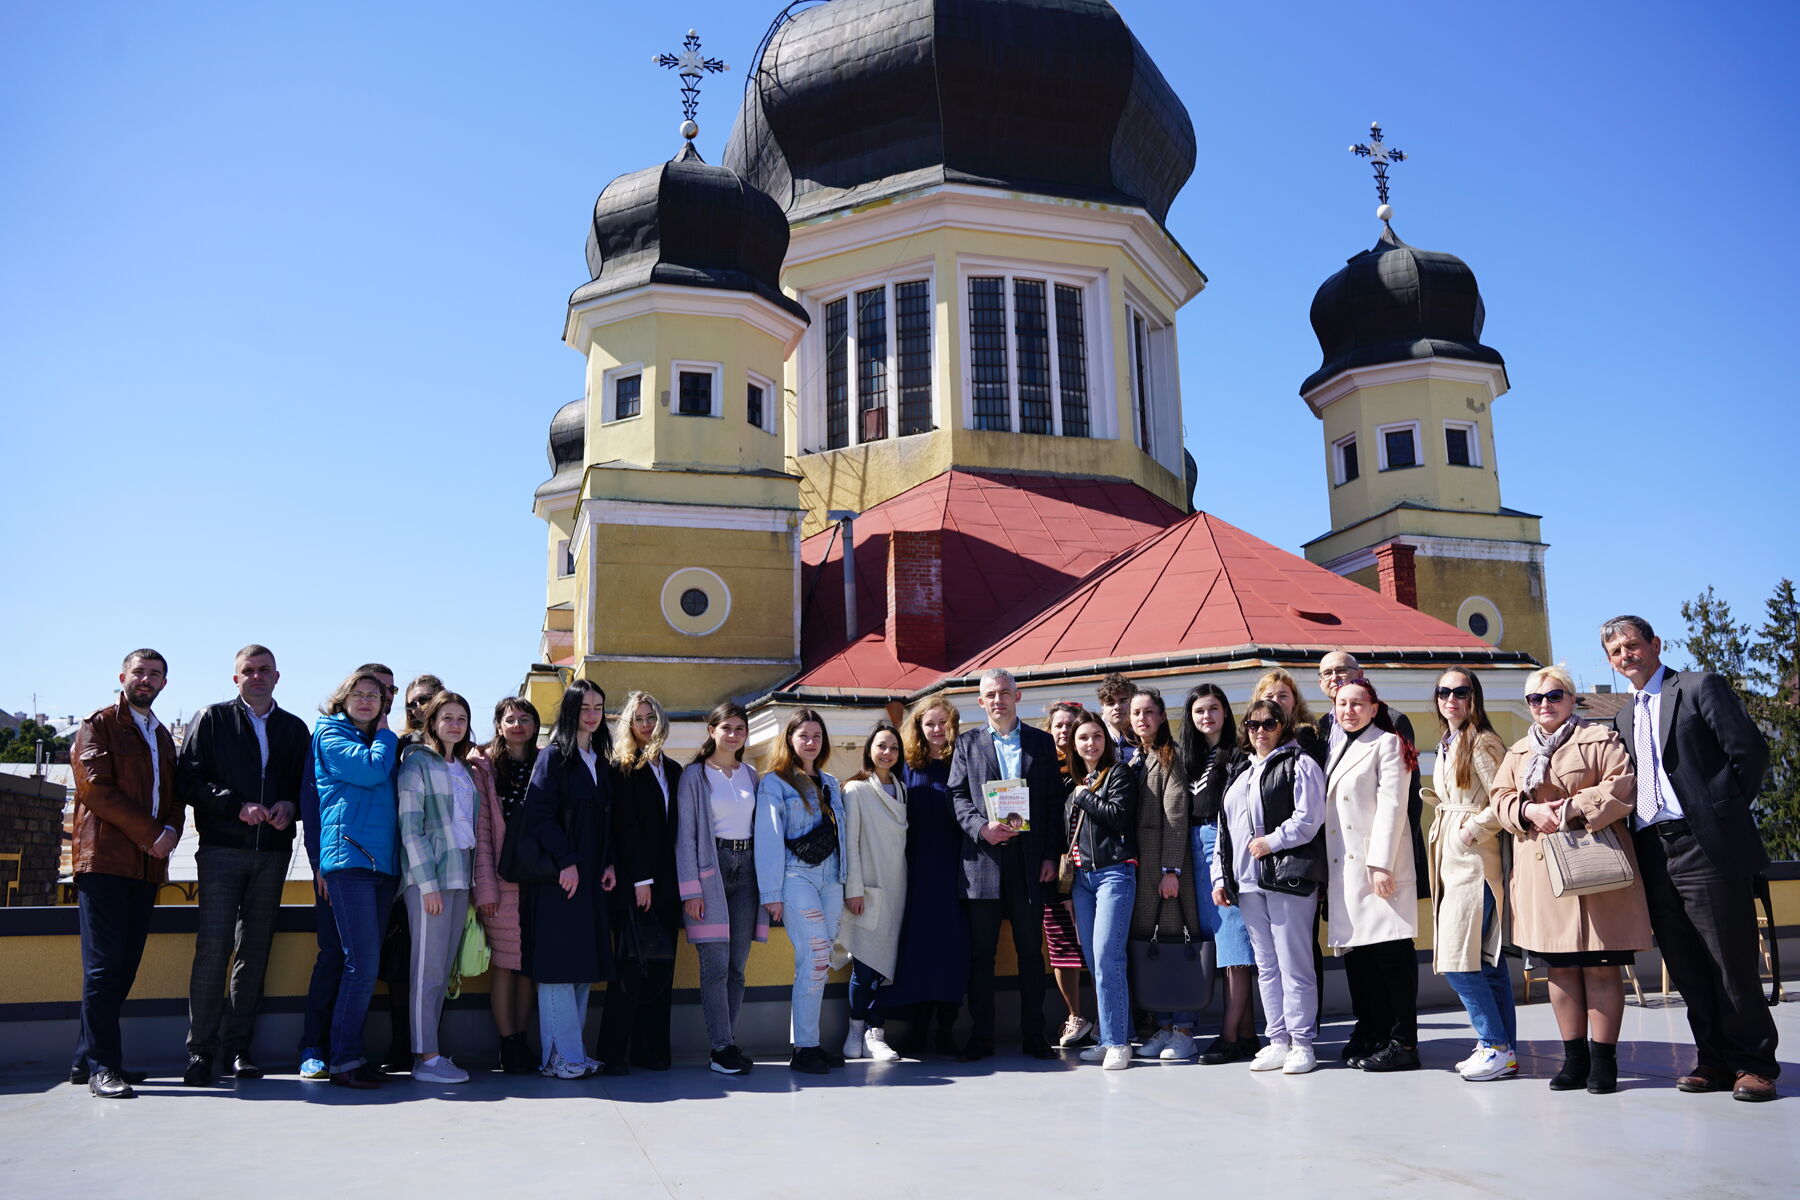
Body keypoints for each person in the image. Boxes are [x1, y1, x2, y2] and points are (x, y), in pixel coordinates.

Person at [1602, 615, 1779, 1102]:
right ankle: (1714, 1060)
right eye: (1616, 652)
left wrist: (1719, 814)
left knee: (1729, 958)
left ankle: (1755, 1063)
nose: (1626, 656)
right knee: (1685, 963)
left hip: (1705, 845)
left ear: (1656, 644)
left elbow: (1749, 753)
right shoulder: (1621, 715)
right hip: (1653, 850)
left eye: (1633, 645)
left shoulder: (1700, 687)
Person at [1491, 665, 1650, 1094]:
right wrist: (1527, 811)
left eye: (1554, 695)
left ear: (1571, 698)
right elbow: (1500, 798)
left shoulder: (1598, 738)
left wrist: (1570, 808)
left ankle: (1604, 1062)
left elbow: (1623, 786)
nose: (1544, 704)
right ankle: (1573, 1060)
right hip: (1543, 872)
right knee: (1559, 971)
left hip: (1594, 866)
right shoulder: (1519, 751)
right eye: (1535, 699)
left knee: (1601, 969)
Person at [177, 644, 309, 1086]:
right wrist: (234, 806)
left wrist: (291, 805)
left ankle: (237, 1049)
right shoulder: (211, 719)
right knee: (213, 948)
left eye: (264, 670)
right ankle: (200, 1051)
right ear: (236, 679)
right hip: (221, 850)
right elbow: (189, 779)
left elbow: (305, 785)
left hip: (273, 853)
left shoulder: (294, 728)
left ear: (277, 676)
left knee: (254, 952)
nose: (256, 676)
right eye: (248, 671)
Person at [69, 649, 184, 1098]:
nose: (147, 680)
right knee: (103, 968)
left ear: (163, 684)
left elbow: (176, 792)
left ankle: (87, 1059)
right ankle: (103, 1067)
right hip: (104, 862)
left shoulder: (162, 736)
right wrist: (151, 834)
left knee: (124, 966)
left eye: (155, 674)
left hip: (147, 865)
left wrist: (171, 830)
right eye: (140, 672)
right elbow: (95, 790)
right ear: (123, 677)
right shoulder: (98, 725)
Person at [948, 668, 1065, 1061]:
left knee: (1031, 953)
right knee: (981, 956)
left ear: (1017, 696)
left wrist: (1051, 854)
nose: (998, 700)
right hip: (982, 863)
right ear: (981, 702)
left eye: (1004, 692)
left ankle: (1034, 1035)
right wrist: (982, 828)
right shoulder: (966, 744)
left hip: (1031, 863)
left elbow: (1053, 803)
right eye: (990, 695)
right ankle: (982, 1036)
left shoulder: (1041, 743)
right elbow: (957, 797)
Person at [1211, 698, 1327, 1075]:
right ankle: (1277, 1040)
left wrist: (1271, 842)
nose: (1260, 730)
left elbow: (1309, 819)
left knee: (1295, 963)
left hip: (1286, 879)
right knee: (1266, 965)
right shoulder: (1240, 771)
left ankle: (1302, 1043)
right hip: (1246, 883)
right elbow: (1224, 832)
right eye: (1253, 724)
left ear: (1284, 725)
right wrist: (1219, 876)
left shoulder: (1300, 763)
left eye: (1269, 723)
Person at [297, 662, 393, 1081]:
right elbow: (370, 772)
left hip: (381, 864)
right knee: (360, 961)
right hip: (349, 861)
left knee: (365, 962)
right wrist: (389, 733)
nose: (368, 701)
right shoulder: (331, 733)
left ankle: (346, 1053)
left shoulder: (379, 741)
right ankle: (342, 1057)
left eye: (375, 696)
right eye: (360, 695)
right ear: (344, 699)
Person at [520, 679, 617, 1079]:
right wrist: (566, 861)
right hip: (562, 880)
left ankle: (573, 1053)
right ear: (570, 710)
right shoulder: (554, 757)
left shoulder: (599, 759)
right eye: (585, 707)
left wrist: (608, 862)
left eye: (598, 707)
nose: (591, 714)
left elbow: (605, 820)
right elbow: (539, 815)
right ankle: (558, 1057)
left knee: (580, 966)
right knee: (558, 967)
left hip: (592, 878)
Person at [1324, 679, 1422, 1072]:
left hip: (1377, 867)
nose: (1348, 710)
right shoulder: (1336, 747)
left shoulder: (1386, 742)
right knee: (1361, 959)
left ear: (1373, 706)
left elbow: (1393, 807)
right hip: (1344, 870)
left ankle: (1403, 1042)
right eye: (1341, 704)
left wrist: (1380, 862)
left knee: (1391, 954)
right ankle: (1372, 1032)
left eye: (1357, 703)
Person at [1426, 669, 1518, 1082]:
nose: (1451, 698)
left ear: (1473, 697)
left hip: (1474, 861)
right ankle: (1502, 1049)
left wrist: (1469, 830)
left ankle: (1493, 1044)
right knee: (1487, 963)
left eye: (1460, 691)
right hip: (1453, 860)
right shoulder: (1449, 741)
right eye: (1443, 692)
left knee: (1459, 959)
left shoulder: (1482, 741)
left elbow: (1504, 798)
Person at [675, 701, 768, 1076]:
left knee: (737, 969)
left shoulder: (752, 775)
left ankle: (727, 1041)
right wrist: (690, 890)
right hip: (711, 872)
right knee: (714, 967)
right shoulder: (694, 776)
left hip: (747, 874)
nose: (733, 734)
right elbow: (685, 836)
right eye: (726, 727)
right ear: (711, 730)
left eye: (740, 728)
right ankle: (720, 1048)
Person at [397, 690, 483, 1085]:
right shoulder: (417, 763)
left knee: (444, 969)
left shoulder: (463, 768)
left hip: (460, 875)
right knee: (426, 970)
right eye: (446, 717)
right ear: (431, 721)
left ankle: (430, 1052)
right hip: (429, 880)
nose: (454, 724)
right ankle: (425, 1057)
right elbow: (410, 830)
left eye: (461, 718)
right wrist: (427, 885)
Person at [756, 708, 848, 1074]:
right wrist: (770, 892)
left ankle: (806, 1044)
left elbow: (843, 839)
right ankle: (806, 1048)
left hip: (832, 880)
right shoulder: (775, 783)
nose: (811, 742)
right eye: (803, 736)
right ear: (790, 739)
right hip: (796, 878)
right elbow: (769, 838)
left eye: (817, 736)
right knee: (815, 955)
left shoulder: (832, 782)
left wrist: (849, 881)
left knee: (817, 962)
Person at [877, 696, 970, 1055]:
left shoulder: (964, 763)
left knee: (952, 949)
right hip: (913, 869)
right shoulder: (906, 766)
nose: (937, 730)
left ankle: (946, 1028)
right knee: (916, 949)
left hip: (956, 869)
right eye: (930, 724)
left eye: (943, 724)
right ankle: (917, 1028)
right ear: (918, 727)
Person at [597, 690, 682, 1075]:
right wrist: (641, 880)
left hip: (669, 885)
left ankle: (652, 1051)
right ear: (629, 726)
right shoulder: (622, 767)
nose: (646, 724)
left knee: (663, 969)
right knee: (631, 969)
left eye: (651, 717)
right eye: (639, 719)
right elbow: (625, 828)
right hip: (636, 885)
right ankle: (613, 1053)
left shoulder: (676, 770)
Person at [1182, 684, 1257, 1066]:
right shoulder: (1191, 758)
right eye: (1198, 711)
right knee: (1223, 942)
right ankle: (1246, 1035)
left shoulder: (1237, 755)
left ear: (1226, 712)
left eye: (1213, 708)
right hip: (1195, 846)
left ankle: (1228, 1036)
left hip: (1222, 844)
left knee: (1234, 945)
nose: (1206, 716)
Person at [376, 671, 447, 1072]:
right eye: (413, 702)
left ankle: (433, 1045)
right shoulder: (400, 747)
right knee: (402, 967)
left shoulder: (459, 748)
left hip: (450, 876)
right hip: (403, 876)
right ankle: (402, 1046)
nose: (420, 707)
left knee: (439, 966)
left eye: (427, 699)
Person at [1315, 651, 1429, 894]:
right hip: (1338, 850)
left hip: (1381, 854)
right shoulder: (1319, 729)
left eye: (1341, 670)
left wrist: (1392, 855)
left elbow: (1406, 797)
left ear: (1360, 674)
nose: (1334, 677)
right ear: (1320, 683)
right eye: (1327, 673)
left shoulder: (1392, 721)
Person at [1127, 687, 1199, 1060]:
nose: (1142, 718)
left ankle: (1183, 1028)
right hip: (1141, 869)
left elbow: (1175, 817)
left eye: (1149, 712)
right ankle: (1160, 1026)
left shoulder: (1171, 756)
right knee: (1150, 943)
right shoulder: (1136, 757)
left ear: (1161, 716)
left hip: (1166, 867)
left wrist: (1171, 869)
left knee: (1172, 939)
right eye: (1136, 712)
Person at [1065, 710, 1138, 1070]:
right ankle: (1111, 1034)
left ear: (1105, 742)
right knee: (1095, 962)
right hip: (1082, 880)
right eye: (1083, 738)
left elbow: (1119, 816)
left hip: (1114, 874)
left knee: (1109, 957)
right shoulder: (1077, 783)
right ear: (1074, 746)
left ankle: (1119, 1042)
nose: (1090, 743)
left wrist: (1083, 797)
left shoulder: (1118, 773)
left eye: (1096, 737)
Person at [471, 696, 539, 1074]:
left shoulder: (545, 761)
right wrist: (485, 889)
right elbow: (481, 832)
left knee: (528, 963)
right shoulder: (483, 767)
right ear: (498, 725)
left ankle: (522, 1040)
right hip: (498, 877)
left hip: (537, 878)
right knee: (504, 963)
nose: (517, 725)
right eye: (510, 719)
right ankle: (507, 1043)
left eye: (525, 719)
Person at [837, 721, 909, 1063]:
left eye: (894, 747)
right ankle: (855, 1030)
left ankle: (875, 1034)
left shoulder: (902, 789)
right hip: (864, 889)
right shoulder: (856, 790)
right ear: (870, 749)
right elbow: (849, 842)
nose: (887, 752)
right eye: (881, 746)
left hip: (897, 888)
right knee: (864, 967)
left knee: (885, 969)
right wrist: (853, 888)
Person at [1043, 700, 1094, 1048]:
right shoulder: (1040, 767)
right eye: (1058, 725)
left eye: (1070, 725)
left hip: (1091, 866)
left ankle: (1118, 1017)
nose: (1064, 730)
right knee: (1061, 943)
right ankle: (1075, 1015)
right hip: (1053, 868)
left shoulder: (1092, 769)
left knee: (1098, 943)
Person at [1252, 668, 1326, 766]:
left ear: (1294, 701)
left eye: (1283, 696)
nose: (1276, 701)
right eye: (1269, 697)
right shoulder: (1252, 737)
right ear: (1258, 702)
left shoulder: (1303, 736)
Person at [1097, 672, 1140, 766]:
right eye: (1110, 703)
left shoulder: (1145, 736)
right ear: (1102, 707)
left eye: (1123, 701)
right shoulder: (1095, 739)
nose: (1117, 707)